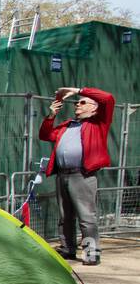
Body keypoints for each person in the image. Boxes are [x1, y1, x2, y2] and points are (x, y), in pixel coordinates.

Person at [40, 85, 114, 265]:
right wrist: (51, 115)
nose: (77, 105)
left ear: (94, 107)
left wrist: (78, 91)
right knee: (65, 216)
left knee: (86, 217)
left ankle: (91, 253)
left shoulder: (99, 122)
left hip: (82, 175)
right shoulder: (68, 125)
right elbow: (45, 134)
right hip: (62, 175)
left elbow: (108, 97)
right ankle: (68, 249)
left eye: (82, 103)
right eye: (76, 103)